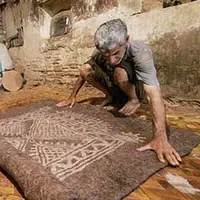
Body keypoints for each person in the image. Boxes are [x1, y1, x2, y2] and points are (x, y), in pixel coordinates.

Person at [56, 18, 182, 166]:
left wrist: (160, 136)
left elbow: (153, 93)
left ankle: (133, 99)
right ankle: (110, 96)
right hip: (114, 87)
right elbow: (84, 72)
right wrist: (72, 96)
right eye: (105, 56)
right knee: (85, 69)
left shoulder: (140, 52)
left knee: (119, 71)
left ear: (126, 40)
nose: (111, 60)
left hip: (133, 89)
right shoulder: (100, 52)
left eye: (116, 53)